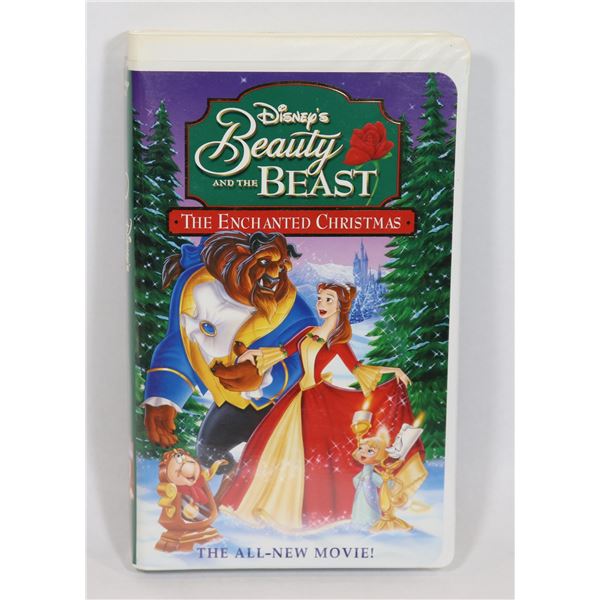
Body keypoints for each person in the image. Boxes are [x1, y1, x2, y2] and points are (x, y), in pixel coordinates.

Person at [220, 282, 424, 532]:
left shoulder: (338, 342)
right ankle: (268, 504)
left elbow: (358, 369)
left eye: (328, 300)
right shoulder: (308, 332)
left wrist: (393, 370)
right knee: (272, 450)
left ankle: (303, 511)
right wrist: (253, 356)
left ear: (340, 306)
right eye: (319, 298)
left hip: (317, 398)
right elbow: (282, 352)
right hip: (297, 396)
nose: (321, 304)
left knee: (312, 454)